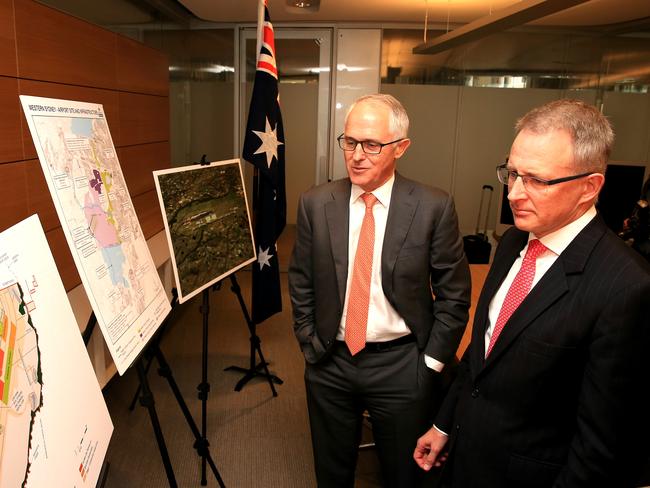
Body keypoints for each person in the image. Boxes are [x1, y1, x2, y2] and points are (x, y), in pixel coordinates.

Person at [414, 99, 650, 487]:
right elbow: (482, 354)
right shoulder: (512, 242)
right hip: (464, 458)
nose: (514, 194)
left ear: (589, 188)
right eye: (512, 173)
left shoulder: (627, 288)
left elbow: (602, 451)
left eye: (537, 180)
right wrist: (444, 425)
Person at [289, 94, 471, 487]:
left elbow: (454, 297)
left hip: (403, 366)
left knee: (403, 474)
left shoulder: (432, 207)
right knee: (331, 472)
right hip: (330, 362)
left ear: (400, 147)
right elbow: (301, 279)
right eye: (349, 142)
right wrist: (309, 342)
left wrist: (430, 365)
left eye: (371, 144)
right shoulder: (315, 203)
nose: (356, 155)